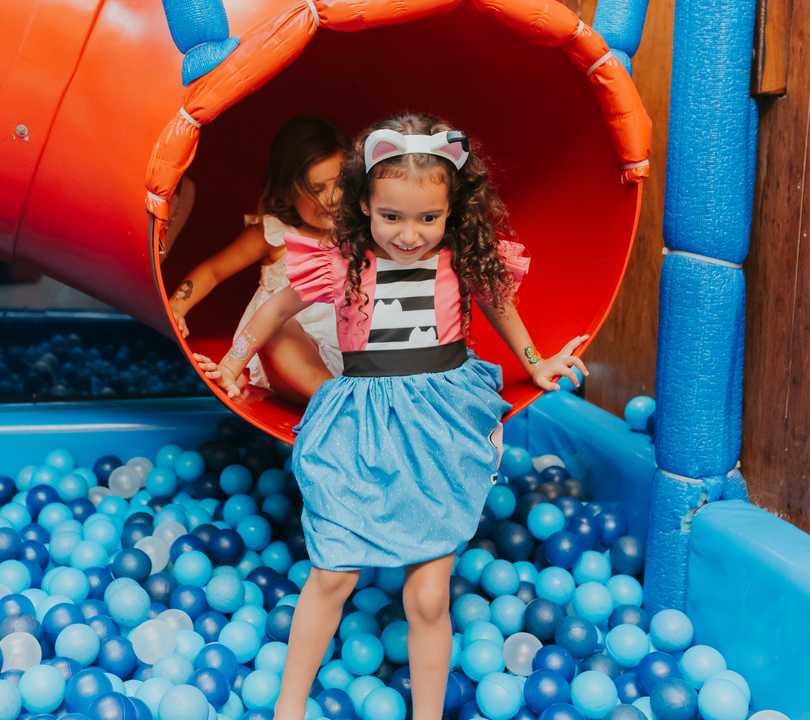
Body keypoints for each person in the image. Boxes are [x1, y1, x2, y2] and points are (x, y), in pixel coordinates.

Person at [196, 112, 589, 720]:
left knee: (429, 597)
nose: (409, 234)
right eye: (391, 217)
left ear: (453, 211)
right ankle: (288, 709)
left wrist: (536, 362)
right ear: (365, 206)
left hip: (440, 430)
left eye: (428, 218)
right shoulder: (343, 261)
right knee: (332, 576)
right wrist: (234, 361)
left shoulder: (461, 259)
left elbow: (501, 304)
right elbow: (275, 308)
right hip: (363, 429)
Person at [169, 116, 348, 402]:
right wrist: (177, 307)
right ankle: (342, 405)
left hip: (352, 361)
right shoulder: (274, 234)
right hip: (290, 361)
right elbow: (213, 270)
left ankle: (350, 397)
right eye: (316, 190)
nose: (332, 198)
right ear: (288, 192)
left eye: (340, 183)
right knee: (275, 327)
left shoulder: (363, 232)